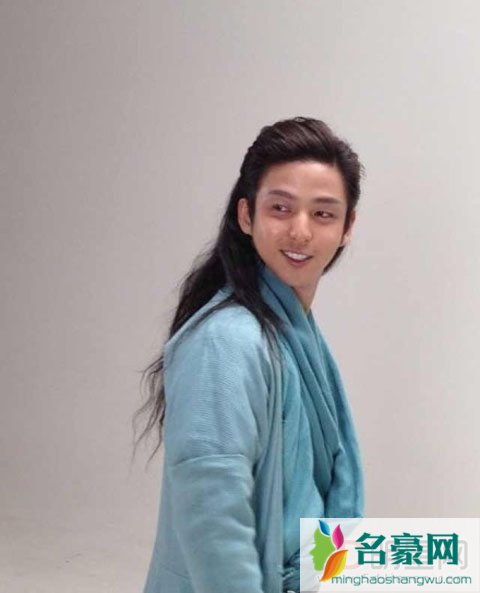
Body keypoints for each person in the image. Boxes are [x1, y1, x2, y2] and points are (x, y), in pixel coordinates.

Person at [134, 116, 365, 593]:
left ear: (347, 228)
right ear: (246, 216)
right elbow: (213, 519)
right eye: (280, 208)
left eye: (323, 214)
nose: (300, 231)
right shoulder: (227, 341)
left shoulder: (295, 333)